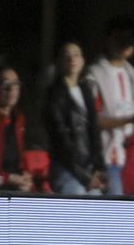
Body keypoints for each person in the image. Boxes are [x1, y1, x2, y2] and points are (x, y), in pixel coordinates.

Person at [86, 16, 134, 196]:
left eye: (130, 39)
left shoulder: (131, 73)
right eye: (119, 38)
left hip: (129, 157)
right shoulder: (94, 73)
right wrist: (129, 120)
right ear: (108, 39)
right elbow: (93, 119)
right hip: (103, 158)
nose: (125, 44)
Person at [43, 42, 106, 195]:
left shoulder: (86, 90)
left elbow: (94, 131)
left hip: (89, 167)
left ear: (83, 61)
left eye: (76, 54)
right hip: (66, 169)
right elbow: (60, 139)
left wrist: (98, 166)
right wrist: (84, 176)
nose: (72, 59)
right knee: (77, 204)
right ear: (59, 61)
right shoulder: (54, 94)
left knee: (96, 207)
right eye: (67, 55)